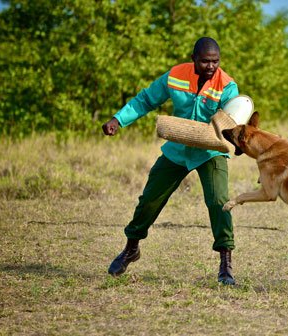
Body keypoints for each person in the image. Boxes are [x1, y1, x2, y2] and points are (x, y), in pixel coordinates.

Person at [101, 37, 238, 285]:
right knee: (150, 198)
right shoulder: (175, 75)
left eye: (215, 61)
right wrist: (118, 119)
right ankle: (131, 247)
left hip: (210, 152)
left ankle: (225, 264)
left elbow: (233, 119)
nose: (210, 66)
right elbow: (146, 99)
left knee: (219, 201)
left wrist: (237, 141)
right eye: (205, 61)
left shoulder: (228, 86)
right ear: (193, 59)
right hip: (178, 149)